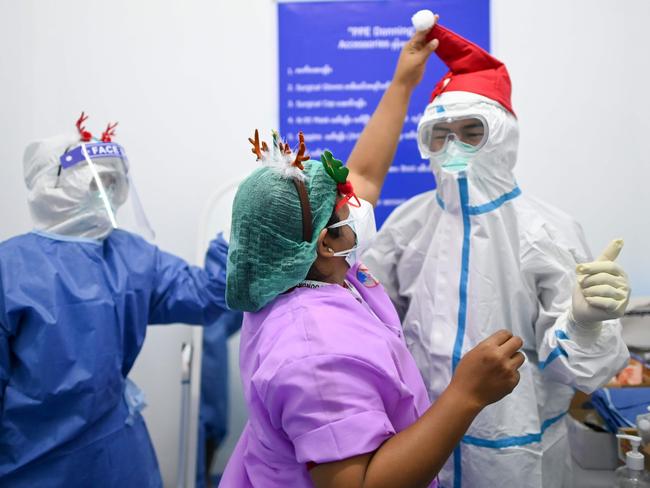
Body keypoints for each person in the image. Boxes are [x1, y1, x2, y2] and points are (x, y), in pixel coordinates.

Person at [354, 20, 632, 488]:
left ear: (502, 136)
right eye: (440, 134)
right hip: (420, 443)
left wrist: (584, 323)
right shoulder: (408, 225)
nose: (453, 147)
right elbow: (370, 323)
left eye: (471, 131)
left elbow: (582, 373)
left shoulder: (546, 231)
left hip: (515, 453)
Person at [219, 126, 525, 487]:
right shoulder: (314, 355)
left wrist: (403, 82)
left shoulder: (297, 273)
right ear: (325, 244)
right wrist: (466, 395)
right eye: (346, 207)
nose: (359, 207)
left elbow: (361, 176)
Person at [0, 114, 233, 487]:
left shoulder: (129, 255)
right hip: (34, 462)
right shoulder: (10, 269)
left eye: (111, 182)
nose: (105, 194)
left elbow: (206, 296)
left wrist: (236, 239)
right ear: (52, 188)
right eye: (95, 183)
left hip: (118, 458)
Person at [196, 271, 244, 488]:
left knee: (211, 428)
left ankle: (203, 478)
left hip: (212, 360)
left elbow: (235, 315)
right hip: (206, 361)